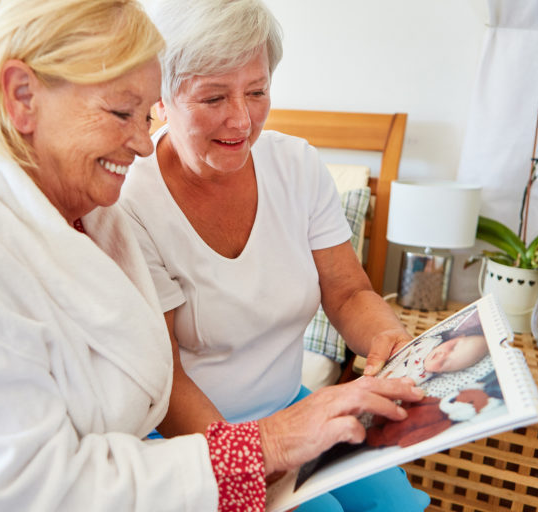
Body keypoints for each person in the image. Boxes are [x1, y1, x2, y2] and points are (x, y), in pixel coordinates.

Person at [0, 0, 424, 510]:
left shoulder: (86, 212)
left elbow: (347, 291)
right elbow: (39, 488)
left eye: (145, 114)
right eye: (122, 113)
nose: (142, 142)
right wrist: (260, 448)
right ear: (23, 95)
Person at [119, 0, 430, 510]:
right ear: (160, 95)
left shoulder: (297, 165)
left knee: (398, 504)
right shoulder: (131, 202)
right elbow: (165, 378)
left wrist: (388, 338)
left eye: (257, 91)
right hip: (194, 438)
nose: (241, 119)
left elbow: (349, 292)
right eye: (214, 97)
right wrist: (253, 456)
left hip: (292, 406)